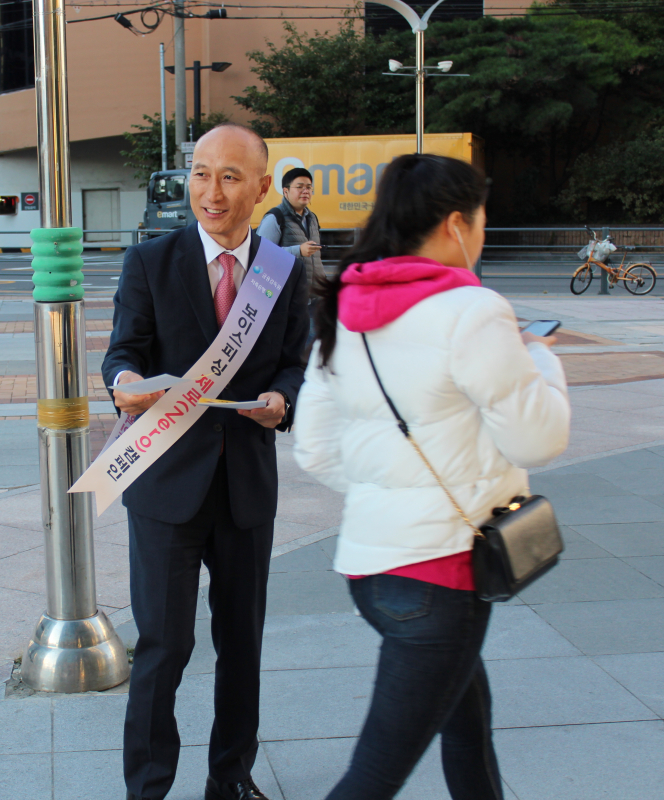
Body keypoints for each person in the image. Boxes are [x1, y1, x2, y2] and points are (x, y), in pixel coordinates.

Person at [292, 154, 570, 800]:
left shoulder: (343, 307)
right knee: (371, 778)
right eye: (479, 221)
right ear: (454, 225)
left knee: (466, 720)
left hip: (371, 570)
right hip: (438, 579)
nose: (480, 234)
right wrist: (541, 362)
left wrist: (391, 495)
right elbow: (540, 436)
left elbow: (314, 450)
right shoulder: (473, 311)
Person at [102, 124, 310, 800]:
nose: (210, 192)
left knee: (241, 645)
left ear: (261, 188)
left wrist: (283, 396)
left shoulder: (282, 273)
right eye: (200, 174)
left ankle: (231, 779)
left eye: (228, 177)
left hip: (246, 485)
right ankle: (149, 787)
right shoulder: (150, 263)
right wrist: (125, 381)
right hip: (165, 486)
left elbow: (296, 363)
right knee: (163, 647)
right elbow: (122, 352)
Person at [256, 167, 324, 287]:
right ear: (285, 191)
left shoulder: (312, 218)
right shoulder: (275, 218)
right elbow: (262, 255)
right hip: (287, 294)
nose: (305, 191)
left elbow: (316, 261)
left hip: (314, 296)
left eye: (309, 187)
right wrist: (298, 251)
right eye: (299, 187)